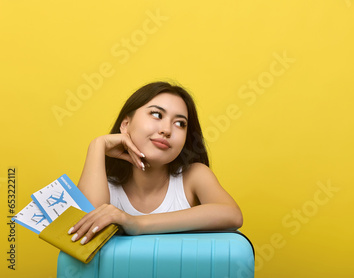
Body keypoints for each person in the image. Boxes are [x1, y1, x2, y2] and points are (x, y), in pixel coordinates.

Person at [68, 81, 243, 245]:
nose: (166, 130)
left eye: (180, 123)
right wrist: (97, 145)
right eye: (157, 114)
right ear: (126, 124)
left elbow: (232, 215)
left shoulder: (193, 176)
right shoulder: (103, 186)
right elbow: (83, 234)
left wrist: (136, 223)